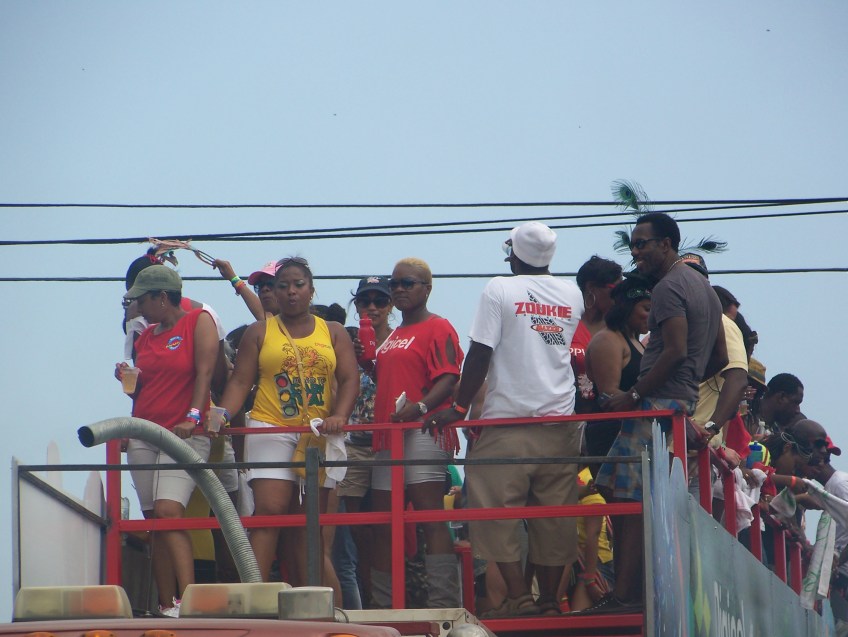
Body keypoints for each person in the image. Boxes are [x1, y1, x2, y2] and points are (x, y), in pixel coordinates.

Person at [428, 221, 584, 617]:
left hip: (508, 421)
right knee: (554, 517)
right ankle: (549, 602)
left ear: (514, 253)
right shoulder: (572, 293)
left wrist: (459, 408)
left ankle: (520, 597)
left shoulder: (499, 288)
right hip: (560, 422)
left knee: (493, 511)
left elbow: (480, 352)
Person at [593, 212, 727, 613]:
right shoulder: (705, 289)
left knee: (628, 498)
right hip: (676, 403)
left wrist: (633, 394)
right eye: (633, 245)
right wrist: (686, 381)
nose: (635, 252)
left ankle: (625, 595)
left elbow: (675, 350)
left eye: (642, 244)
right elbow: (719, 357)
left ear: (666, 244)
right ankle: (634, 589)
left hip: (656, 405)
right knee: (622, 490)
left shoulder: (669, 286)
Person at [214, 256, 359, 583]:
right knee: (269, 513)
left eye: (298, 284)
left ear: (311, 290)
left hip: (318, 433)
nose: (291, 291)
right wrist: (221, 413)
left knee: (308, 526)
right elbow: (240, 381)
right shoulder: (258, 332)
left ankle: (316, 602)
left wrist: (340, 415)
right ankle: (255, 596)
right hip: (270, 427)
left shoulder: (333, 332)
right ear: (275, 293)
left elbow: (350, 379)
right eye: (283, 286)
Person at [116, 265, 220, 616]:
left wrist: (194, 416)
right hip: (145, 432)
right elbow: (143, 390)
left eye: (142, 300)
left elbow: (205, 372)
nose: (138, 308)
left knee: (169, 512)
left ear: (162, 297)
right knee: (154, 522)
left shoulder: (198, 321)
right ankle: (166, 604)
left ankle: (189, 602)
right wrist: (126, 382)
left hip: (183, 433)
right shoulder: (146, 336)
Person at [369, 258, 464, 609]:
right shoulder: (393, 335)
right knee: (383, 522)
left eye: (407, 283)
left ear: (427, 288)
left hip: (423, 430)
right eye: (394, 284)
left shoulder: (438, 326)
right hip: (389, 434)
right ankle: (385, 606)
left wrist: (421, 407)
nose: (398, 289)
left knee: (429, 515)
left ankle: (443, 602)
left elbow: (449, 378)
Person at [335, 276, 394, 609]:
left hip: (389, 441)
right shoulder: (344, 342)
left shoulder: (400, 340)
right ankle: (371, 598)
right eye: (365, 301)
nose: (372, 307)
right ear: (356, 305)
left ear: (390, 305)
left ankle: (385, 600)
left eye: (380, 301)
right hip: (354, 442)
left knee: (386, 527)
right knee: (354, 529)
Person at [584, 273, 651, 467]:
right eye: (646, 309)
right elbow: (609, 395)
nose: (651, 315)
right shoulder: (607, 339)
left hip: (636, 432)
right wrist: (653, 407)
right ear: (626, 308)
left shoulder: (635, 341)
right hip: (612, 435)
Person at [572, 256, 622, 414]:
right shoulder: (566, 323)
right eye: (616, 289)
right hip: (566, 416)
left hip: (607, 418)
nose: (620, 296)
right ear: (591, 288)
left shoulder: (619, 329)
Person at [212, 259, 279, 320]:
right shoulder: (268, 325)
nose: (264, 289)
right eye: (260, 285)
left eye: (271, 283)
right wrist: (233, 278)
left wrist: (233, 278)